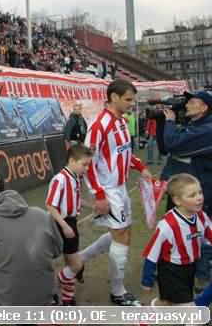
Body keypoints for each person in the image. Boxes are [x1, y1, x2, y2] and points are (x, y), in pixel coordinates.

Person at [84, 78, 152, 306]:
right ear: (114, 97)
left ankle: (79, 261)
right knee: (121, 235)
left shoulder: (122, 121)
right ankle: (118, 291)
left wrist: (140, 167)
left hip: (121, 187)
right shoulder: (99, 126)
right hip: (108, 189)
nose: (132, 104)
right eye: (128, 99)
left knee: (123, 233)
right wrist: (98, 194)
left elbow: (124, 153)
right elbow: (88, 163)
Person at [162, 90, 212, 289]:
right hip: (183, 191)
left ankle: (201, 275)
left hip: (198, 194)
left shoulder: (207, 129)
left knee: (200, 233)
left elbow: (173, 144)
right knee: (177, 231)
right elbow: (165, 148)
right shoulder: (195, 125)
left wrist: (169, 122)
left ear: (204, 107)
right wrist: (163, 122)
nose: (187, 105)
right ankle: (179, 269)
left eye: (192, 102)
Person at [142, 173, 211, 306]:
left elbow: (210, 232)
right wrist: (147, 280)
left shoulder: (201, 216)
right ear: (177, 200)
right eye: (192, 195)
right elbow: (151, 255)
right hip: (171, 271)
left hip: (191, 268)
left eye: (200, 192)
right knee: (187, 307)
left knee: (169, 302)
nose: (199, 198)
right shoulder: (167, 225)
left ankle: (153, 309)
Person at [46, 144, 93, 306]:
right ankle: (52, 288)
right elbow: (50, 205)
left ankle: (67, 299)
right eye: (84, 164)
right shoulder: (60, 179)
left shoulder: (75, 178)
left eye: (88, 165)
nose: (87, 168)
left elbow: (75, 199)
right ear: (72, 161)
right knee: (76, 265)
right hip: (60, 223)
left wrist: (92, 206)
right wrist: (64, 226)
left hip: (71, 222)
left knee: (70, 264)